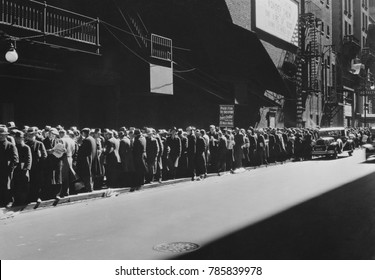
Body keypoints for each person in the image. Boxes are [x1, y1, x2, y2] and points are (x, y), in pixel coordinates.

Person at [25, 127, 47, 203]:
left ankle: (37, 197)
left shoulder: (39, 144)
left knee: (37, 183)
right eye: (29, 135)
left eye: (32, 134)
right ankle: (29, 197)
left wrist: (41, 165)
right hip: (28, 167)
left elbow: (44, 156)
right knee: (29, 183)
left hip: (37, 167)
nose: (31, 136)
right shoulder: (26, 144)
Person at [0, 127, 19, 207]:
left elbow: (15, 159)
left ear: (6, 136)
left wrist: (11, 168)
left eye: (2, 135)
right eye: (0, 135)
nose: (0, 136)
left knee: (8, 186)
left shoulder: (10, 145)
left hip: (7, 170)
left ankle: (9, 201)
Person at [13, 131, 32, 206]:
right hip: (16, 169)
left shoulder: (26, 147)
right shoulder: (14, 146)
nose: (18, 140)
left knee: (24, 184)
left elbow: (29, 158)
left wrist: (27, 168)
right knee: (16, 184)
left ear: (22, 138)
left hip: (24, 169)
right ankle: (17, 200)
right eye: (17, 138)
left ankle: (24, 200)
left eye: (20, 138)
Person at [76, 128, 97, 192]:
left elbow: (82, 151)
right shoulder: (93, 139)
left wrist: (79, 145)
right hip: (92, 158)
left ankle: (89, 188)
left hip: (87, 159)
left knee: (87, 174)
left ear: (83, 133)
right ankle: (91, 187)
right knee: (90, 174)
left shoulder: (86, 140)